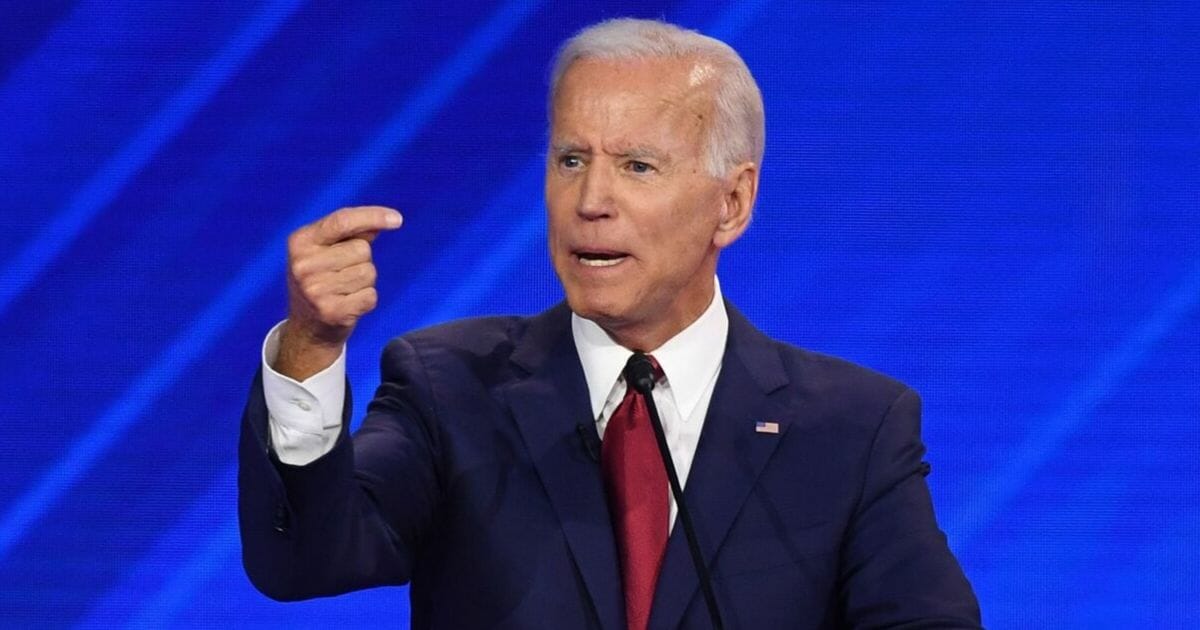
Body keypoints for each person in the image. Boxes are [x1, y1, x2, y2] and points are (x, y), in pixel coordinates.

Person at [239, 18, 981, 629]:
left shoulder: (852, 428)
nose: (591, 199)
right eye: (570, 160)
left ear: (733, 202)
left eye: (637, 166)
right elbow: (303, 560)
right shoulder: (451, 387)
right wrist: (311, 345)